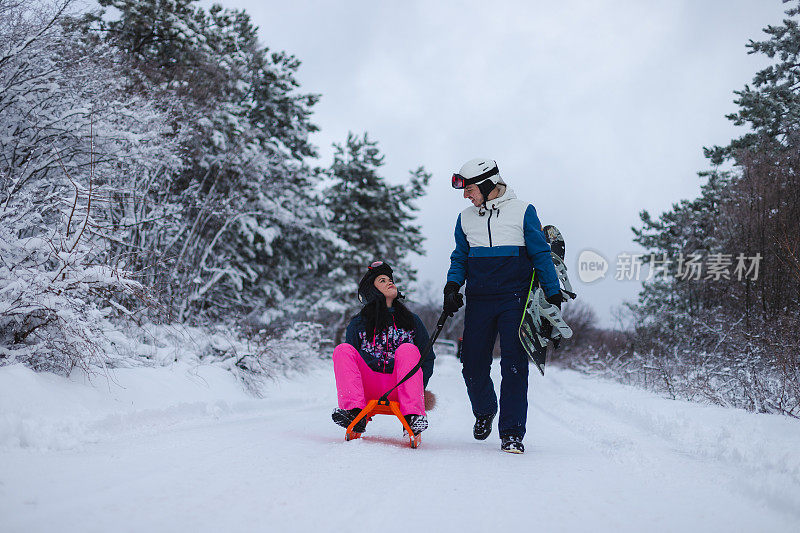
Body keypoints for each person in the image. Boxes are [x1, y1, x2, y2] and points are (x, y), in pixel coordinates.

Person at [443, 158, 562, 454]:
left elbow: (540, 254)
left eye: (469, 189)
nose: (466, 196)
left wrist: (552, 292)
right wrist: (453, 285)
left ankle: (511, 432)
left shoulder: (523, 211)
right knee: (471, 365)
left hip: (515, 301)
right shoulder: (465, 218)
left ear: (486, 184)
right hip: (479, 301)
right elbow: (460, 257)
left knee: (514, 367)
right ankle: (485, 410)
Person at [332, 261, 434, 435]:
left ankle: (413, 416)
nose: (389, 282)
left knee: (408, 349)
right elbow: (351, 363)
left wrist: (417, 390)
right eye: (382, 280)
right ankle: (354, 414)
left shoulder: (412, 320)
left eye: (389, 279)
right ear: (372, 291)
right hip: (368, 386)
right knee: (342, 350)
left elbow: (427, 358)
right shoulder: (359, 323)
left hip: (400, 386)